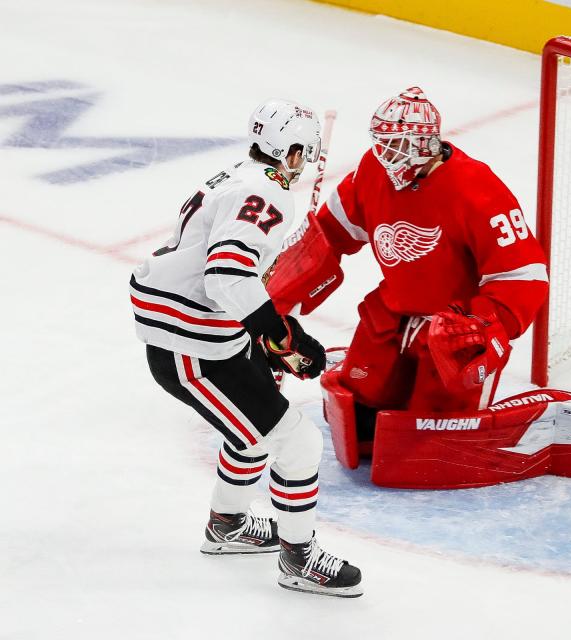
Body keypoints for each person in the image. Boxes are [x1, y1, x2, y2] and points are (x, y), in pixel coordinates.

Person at [128, 98, 362, 597]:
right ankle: (298, 559)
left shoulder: (240, 177)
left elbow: (229, 275)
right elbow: (228, 276)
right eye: (306, 153)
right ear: (293, 153)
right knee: (297, 443)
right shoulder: (266, 195)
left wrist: (266, 330)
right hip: (190, 343)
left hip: (201, 329)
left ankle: (226, 525)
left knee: (254, 430)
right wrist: (279, 335)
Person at [268, 87, 549, 453]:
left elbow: (524, 275)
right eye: (382, 143)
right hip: (393, 314)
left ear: (424, 144)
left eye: (396, 145)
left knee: (429, 440)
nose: (385, 155)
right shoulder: (372, 171)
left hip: (450, 330)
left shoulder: (477, 189)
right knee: (359, 412)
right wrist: (285, 288)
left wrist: (484, 326)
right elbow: (332, 233)